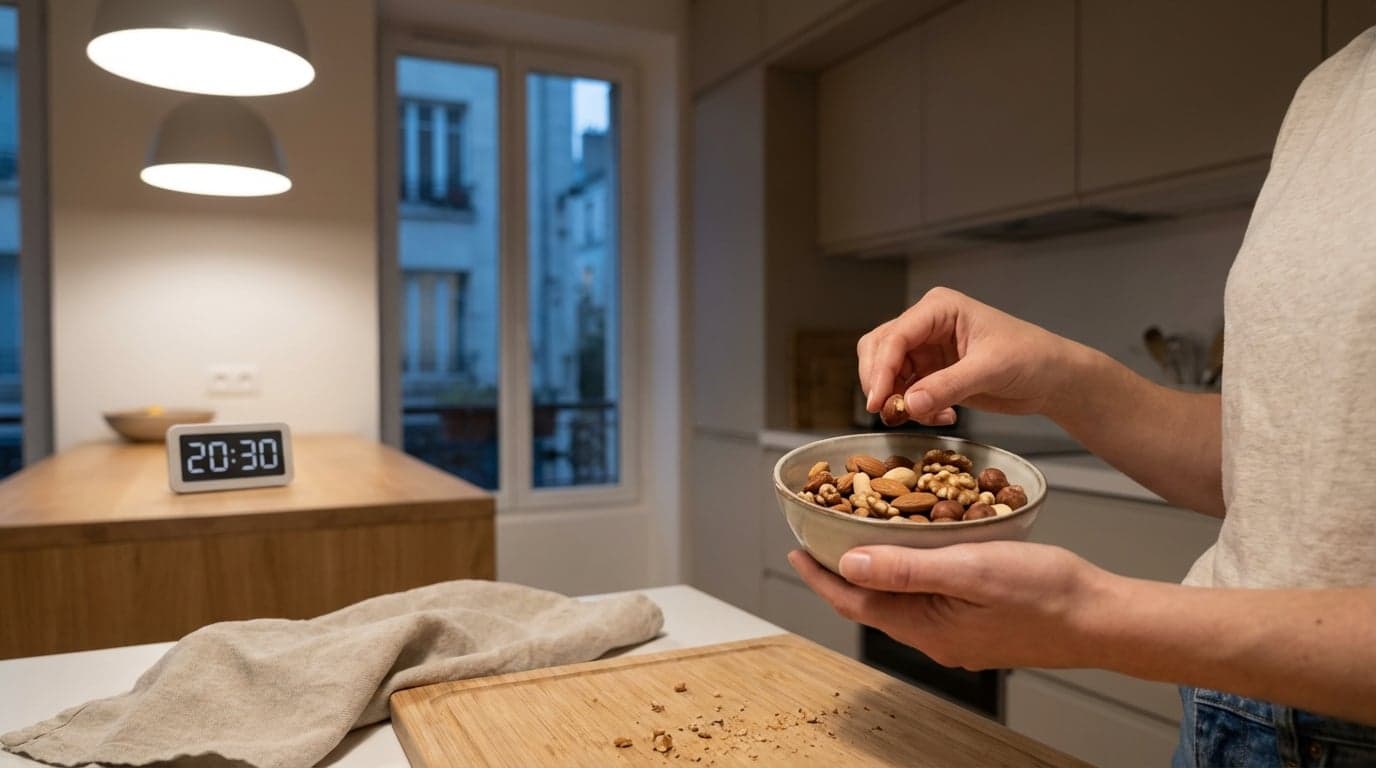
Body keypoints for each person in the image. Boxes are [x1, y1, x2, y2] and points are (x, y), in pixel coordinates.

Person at [788, 27, 1376, 768]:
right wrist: (1063, 376)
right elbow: (1289, 474)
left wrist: (1094, 621)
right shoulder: (1333, 85)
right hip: (1227, 718)